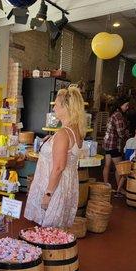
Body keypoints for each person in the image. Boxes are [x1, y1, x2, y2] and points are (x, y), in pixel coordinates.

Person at [24, 85, 85, 228]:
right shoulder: (76, 131)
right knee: (57, 231)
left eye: (56, 105)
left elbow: (58, 167)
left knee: (47, 230)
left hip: (54, 187)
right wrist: (51, 140)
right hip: (66, 185)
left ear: (66, 108)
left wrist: (48, 194)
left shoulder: (63, 134)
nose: (54, 109)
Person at [103, 96, 130, 196]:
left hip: (107, 143)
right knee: (119, 168)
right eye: (126, 105)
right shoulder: (118, 115)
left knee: (107, 165)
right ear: (120, 105)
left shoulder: (112, 114)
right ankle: (120, 189)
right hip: (114, 144)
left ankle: (106, 186)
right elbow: (121, 133)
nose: (127, 107)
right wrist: (127, 134)